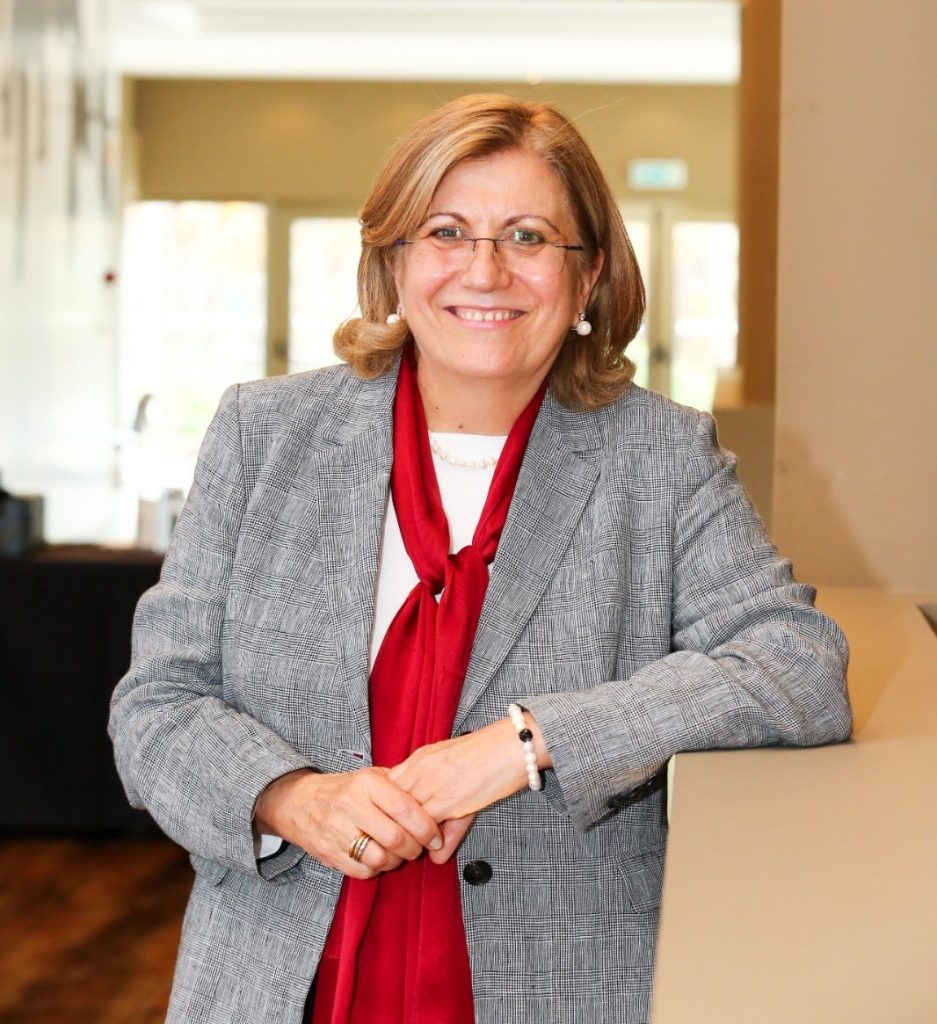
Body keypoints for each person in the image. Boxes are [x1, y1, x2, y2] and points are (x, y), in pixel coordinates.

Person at [109, 93, 852, 1024]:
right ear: (394, 261)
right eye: (447, 232)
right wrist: (288, 797)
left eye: (529, 237)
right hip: (274, 982)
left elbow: (797, 663)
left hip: (559, 984)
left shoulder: (659, 457)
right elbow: (158, 705)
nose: (485, 270)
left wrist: (528, 743)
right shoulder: (264, 435)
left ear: (588, 276)